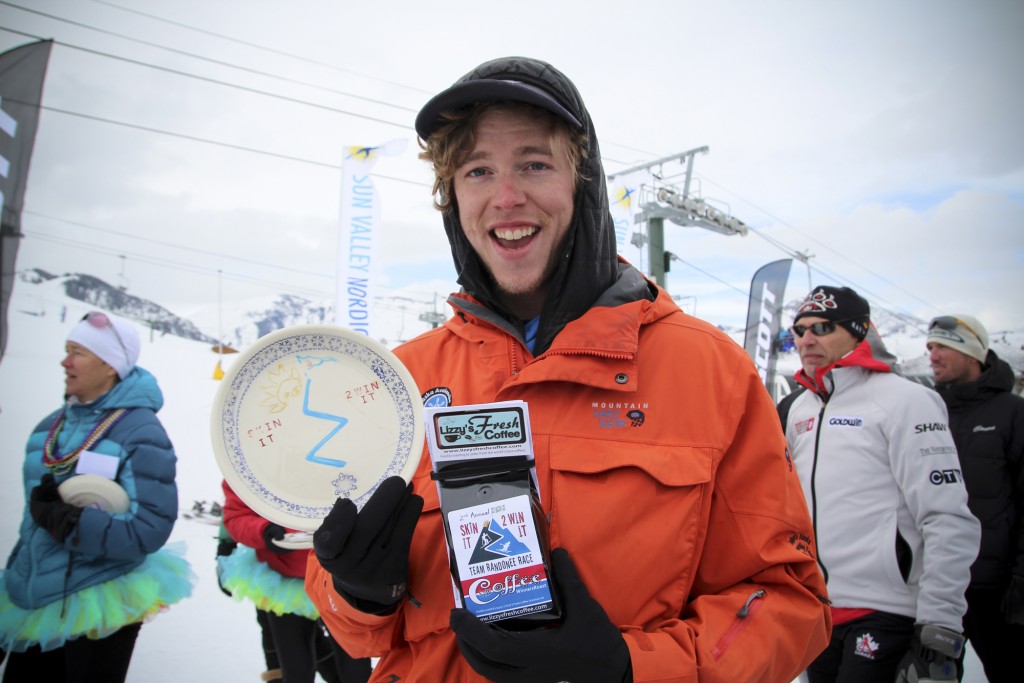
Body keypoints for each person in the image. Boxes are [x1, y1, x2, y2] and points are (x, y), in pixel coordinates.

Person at [305, 55, 831, 683]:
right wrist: (361, 592)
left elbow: (789, 603)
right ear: (454, 199)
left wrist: (629, 670)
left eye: (534, 163)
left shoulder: (710, 371)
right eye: (478, 171)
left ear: (582, 183)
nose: (507, 197)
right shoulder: (399, 381)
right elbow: (351, 625)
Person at [779, 286, 981, 683]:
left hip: (887, 611)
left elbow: (946, 516)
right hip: (817, 611)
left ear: (858, 331)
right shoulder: (800, 407)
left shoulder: (906, 400)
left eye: (822, 326)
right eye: (799, 329)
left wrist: (940, 627)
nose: (807, 339)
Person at [0, 310, 194, 682]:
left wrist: (69, 521)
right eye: (66, 349)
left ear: (110, 366)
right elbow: (31, 526)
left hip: (96, 603)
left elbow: (148, 530)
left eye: (78, 352)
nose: (65, 361)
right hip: (32, 602)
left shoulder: (140, 431)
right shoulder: (48, 428)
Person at [926, 314, 1024, 683]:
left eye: (943, 346)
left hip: (993, 584)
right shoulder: (928, 410)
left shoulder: (1014, 412)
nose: (933, 355)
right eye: (930, 347)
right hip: (935, 579)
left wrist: (1020, 575)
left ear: (973, 353)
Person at [220, 481, 372, 683]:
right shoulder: (248, 462)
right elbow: (237, 515)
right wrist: (263, 530)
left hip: (341, 578)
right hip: (284, 583)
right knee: (296, 670)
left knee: (356, 668)